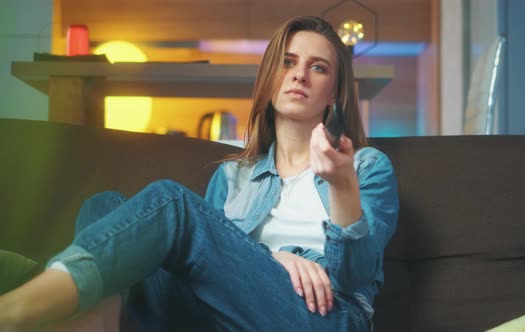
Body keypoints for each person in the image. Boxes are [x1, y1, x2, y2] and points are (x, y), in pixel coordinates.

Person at [0, 16, 399, 332]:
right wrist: (273, 258)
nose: (299, 75)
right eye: (288, 62)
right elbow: (212, 268)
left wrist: (341, 183)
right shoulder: (232, 177)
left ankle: (17, 311)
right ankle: (95, 323)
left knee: (173, 204)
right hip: (218, 321)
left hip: (322, 316)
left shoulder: (366, 166)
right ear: (269, 79)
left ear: (334, 92)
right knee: (103, 206)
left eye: (318, 67)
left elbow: (352, 278)